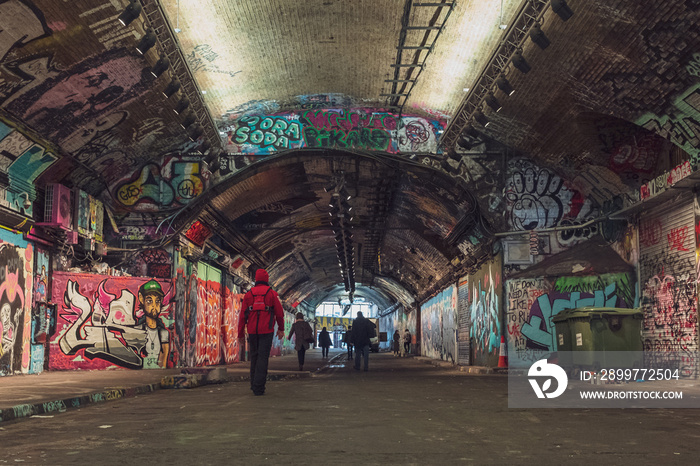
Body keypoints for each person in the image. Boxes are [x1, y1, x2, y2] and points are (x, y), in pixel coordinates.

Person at [238, 269, 285, 396]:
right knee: (263, 358)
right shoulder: (272, 294)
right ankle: (259, 387)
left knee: (254, 357)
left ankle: (253, 384)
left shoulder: (249, 295)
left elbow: (242, 316)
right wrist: (281, 328)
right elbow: (280, 314)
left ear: (256, 279)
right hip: (267, 331)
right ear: (267, 279)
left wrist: (240, 334)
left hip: (252, 332)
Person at [135, 279, 170, 368]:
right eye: (149, 301)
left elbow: (163, 362)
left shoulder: (163, 333)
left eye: (157, 301)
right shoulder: (137, 331)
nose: (154, 306)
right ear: (141, 299)